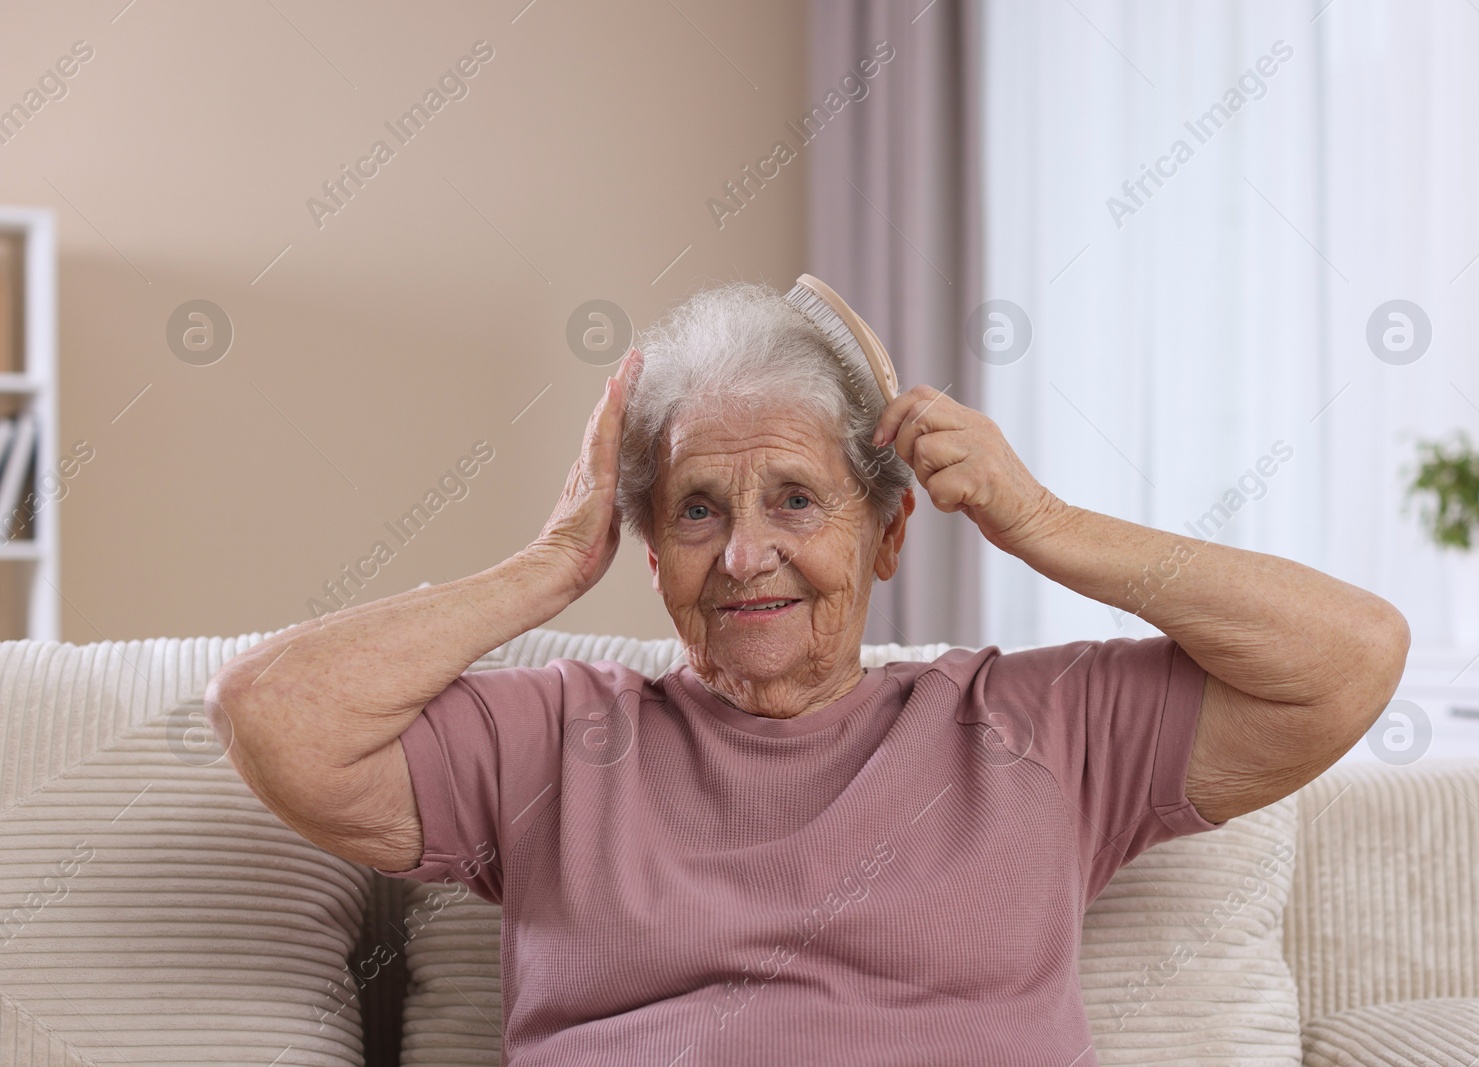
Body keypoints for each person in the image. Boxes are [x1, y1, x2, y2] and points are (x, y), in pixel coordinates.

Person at [210, 282, 1409, 1065]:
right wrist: (546, 564)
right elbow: (275, 713)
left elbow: (1348, 655)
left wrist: (1044, 521)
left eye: (795, 498)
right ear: (648, 551)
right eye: (693, 509)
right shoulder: (556, 740)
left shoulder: (1030, 726)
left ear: (886, 533)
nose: (744, 555)